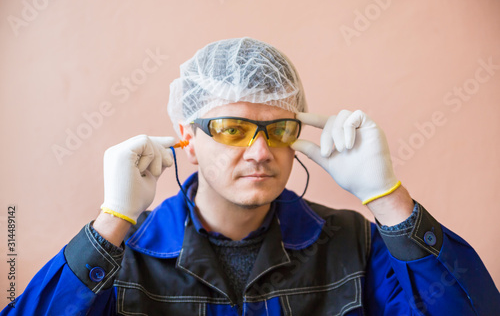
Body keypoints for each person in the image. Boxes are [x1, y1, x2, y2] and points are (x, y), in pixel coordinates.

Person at [2, 37, 499, 316]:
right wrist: (111, 224)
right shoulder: (124, 259)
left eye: (277, 128)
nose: (261, 151)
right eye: (232, 129)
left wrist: (388, 198)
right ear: (187, 138)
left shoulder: (357, 247)